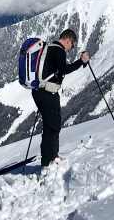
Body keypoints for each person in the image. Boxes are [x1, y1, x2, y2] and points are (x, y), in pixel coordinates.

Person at [32, 28, 90, 169]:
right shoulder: (58, 50)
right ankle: (48, 161)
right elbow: (64, 69)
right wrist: (81, 61)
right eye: (72, 44)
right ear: (68, 40)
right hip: (47, 93)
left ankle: (52, 157)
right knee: (52, 126)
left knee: (51, 125)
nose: (71, 48)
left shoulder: (50, 48)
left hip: (41, 92)